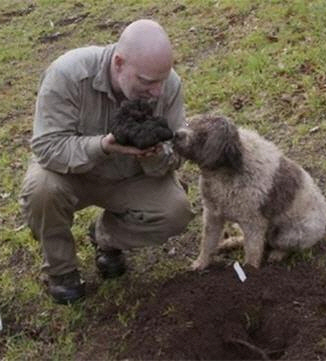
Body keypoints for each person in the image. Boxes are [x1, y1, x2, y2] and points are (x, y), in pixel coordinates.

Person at [19, 19, 194, 304]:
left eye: (162, 81)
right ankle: (61, 270)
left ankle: (104, 237)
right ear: (119, 63)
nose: (158, 92)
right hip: (70, 174)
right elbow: (47, 147)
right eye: (148, 82)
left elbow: (177, 151)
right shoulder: (68, 74)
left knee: (175, 211)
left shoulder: (167, 85)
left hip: (129, 176)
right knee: (41, 190)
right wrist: (102, 146)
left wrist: (156, 156)